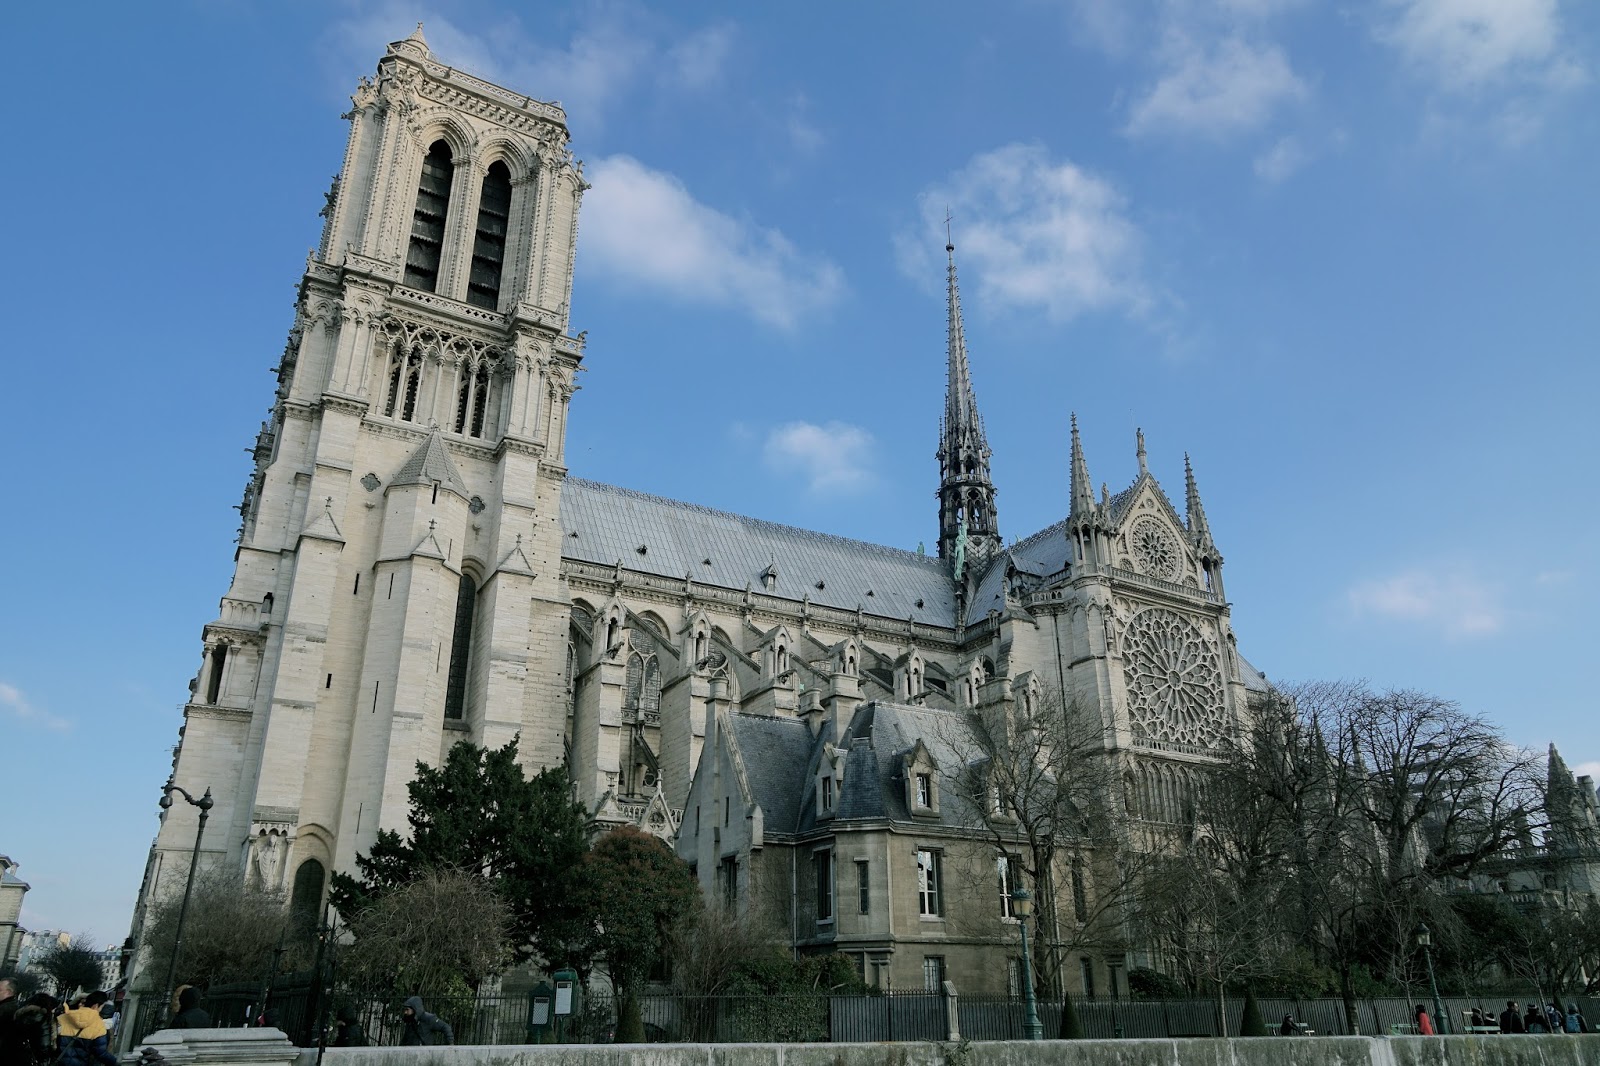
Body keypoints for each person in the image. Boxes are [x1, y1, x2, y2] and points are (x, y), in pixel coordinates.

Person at [56, 991, 118, 1066]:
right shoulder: (99, 1025)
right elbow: (100, 1053)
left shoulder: (62, 1018)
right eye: (101, 1007)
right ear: (96, 1006)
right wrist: (114, 1062)